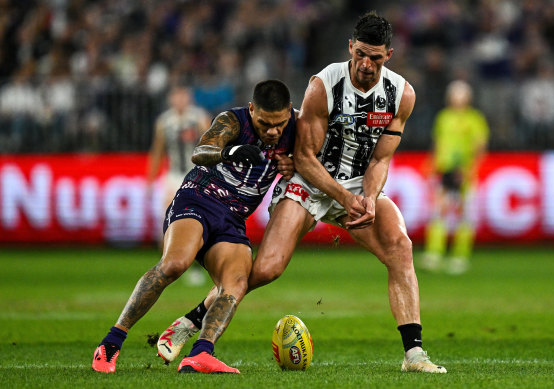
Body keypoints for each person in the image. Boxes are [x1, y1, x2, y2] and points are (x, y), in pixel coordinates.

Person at [159, 11, 446, 374]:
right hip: (310, 181)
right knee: (265, 268)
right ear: (350, 48)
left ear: (388, 55)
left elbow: (380, 159)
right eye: (360, 54)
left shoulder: (401, 95)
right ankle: (191, 321)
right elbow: (305, 158)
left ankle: (414, 355)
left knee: (400, 246)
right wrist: (345, 199)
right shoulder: (323, 85)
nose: (367, 64)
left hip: (358, 184)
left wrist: (369, 199)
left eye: (375, 57)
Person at [91, 79, 296, 374]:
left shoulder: (298, 127)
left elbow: (311, 157)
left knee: (237, 283)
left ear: (289, 112)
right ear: (252, 110)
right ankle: (111, 343)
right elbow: (200, 151)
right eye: (265, 123)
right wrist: (230, 152)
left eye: (279, 123)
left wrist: (292, 164)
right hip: (199, 198)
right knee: (174, 264)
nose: (273, 131)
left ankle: (200, 353)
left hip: (233, 219)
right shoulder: (233, 120)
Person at [420, 80, 489, 274]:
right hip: (444, 171)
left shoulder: (475, 119)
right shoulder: (443, 117)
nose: (457, 100)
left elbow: (480, 147)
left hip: (465, 173)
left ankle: (460, 256)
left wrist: (470, 168)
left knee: (465, 214)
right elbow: (438, 143)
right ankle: (434, 253)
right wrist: (432, 164)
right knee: (438, 212)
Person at [146, 85, 212, 285]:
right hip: (173, 176)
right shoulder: (164, 121)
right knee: (167, 221)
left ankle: (196, 267)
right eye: (176, 96)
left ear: (188, 97)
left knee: (199, 221)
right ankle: (168, 266)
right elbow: (157, 150)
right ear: (171, 99)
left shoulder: (199, 117)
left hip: (195, 174)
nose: (180, 100)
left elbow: (212, 144)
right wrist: (150, 179)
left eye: (183, 95)